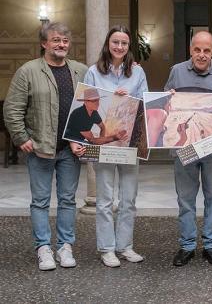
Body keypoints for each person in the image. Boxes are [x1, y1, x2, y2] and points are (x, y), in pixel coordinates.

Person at [3, 22, 87, 270]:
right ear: (44, 43)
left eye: (65, 41)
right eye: (56, 40)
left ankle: (65, 247)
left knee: (68, 200)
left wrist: (129, 67)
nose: (62, 45)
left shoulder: (80, 71)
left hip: (70, 150)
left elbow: (100, 92)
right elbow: (12, 108)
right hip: (40, 149)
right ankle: (43, 248)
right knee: (40, 201)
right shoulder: (28, 71)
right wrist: (21, 137)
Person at [164, 31, 212, 267]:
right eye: (198, 50)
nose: (202, 55)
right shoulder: (176, 71)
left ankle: (211, 245)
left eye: (207, 50)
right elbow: (165, 104)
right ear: (190, 49)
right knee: (185, 198)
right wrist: (168, 98)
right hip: (184, 148)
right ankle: (186, 246)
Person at [84, 25, 148, 267]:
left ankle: (125, 246)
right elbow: (87, 105)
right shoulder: (93, 71)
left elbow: (143, 104)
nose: (119, 46)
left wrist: (129, 98)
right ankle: (107, 248)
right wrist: (111, 97)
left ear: (128, 46)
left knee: (129, 198)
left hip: (129, 141)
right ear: (108, 44)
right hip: (103, 141)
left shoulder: (137, 72)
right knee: (104, 198)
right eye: (115, 42)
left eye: (123, 43)